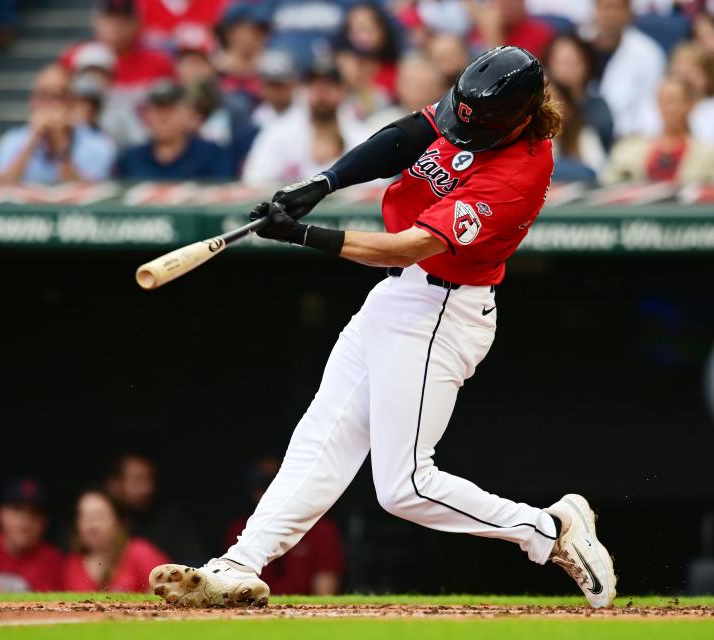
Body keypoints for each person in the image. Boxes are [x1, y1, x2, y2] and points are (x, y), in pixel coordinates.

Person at [149, 46, 617, 609]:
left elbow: (408, 245)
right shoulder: (475, 105)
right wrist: (323, 182)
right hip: (399, 296)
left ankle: (547, 529)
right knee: (321, 437)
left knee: (405, 487)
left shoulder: (517, 173)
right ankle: (241, 562)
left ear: (518, 118)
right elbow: (405, 136)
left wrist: (304, 235)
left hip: (444, 311)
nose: (457, 125)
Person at [223, 457, 344, 595]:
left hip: (305, 613)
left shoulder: (321, 529)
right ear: (253, 491)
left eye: (276, 485)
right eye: (264, 485)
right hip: (254, 611)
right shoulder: (240, 530)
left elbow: (325, 594)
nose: (272, 492)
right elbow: (235, 589)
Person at [242, 60, 369, 185]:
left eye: (329, 85)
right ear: (304, 90)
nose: (321, 93)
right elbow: (255, 179)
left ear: (341, 91)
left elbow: (374, 184)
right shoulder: (278, 131)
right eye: (315, 85)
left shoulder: (359, 136)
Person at [0, 64, 116, 184]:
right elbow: (0, 187)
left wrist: (61, 144)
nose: (50, 105)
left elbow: (87, 197)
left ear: (72, 102)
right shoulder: (12, 140)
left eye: (58, 96)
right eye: (43, 95)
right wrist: (32, 140)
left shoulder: (98, 145)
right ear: (32, 101)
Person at [601, 77, 714, 184]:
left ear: (689, 105)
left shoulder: (707, 153)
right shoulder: (628, 149)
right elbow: (608, 184)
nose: (668, 109)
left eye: (674, 101)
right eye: (662, 101)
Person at [117, 80, 236, 180]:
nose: (162, 118)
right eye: (156, 111)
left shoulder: (211, 154)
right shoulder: (132, 157)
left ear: (188, 115)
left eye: (170, 110)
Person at [583, 0, 665, 138]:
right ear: (595, 11)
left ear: (628, 13)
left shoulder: (648, 54)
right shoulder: (578, 44)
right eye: (605, 8)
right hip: (580, 132)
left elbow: (652, 104)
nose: (610, 15)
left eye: (616, 8)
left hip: (628, 135)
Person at [105, 453, 205, 566]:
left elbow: (194, 566)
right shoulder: (102, 524)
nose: (146, 489)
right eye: (137, 480)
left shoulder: (170, 520)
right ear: (114, 484)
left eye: (149, 480)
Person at [62, 490, 169, 592]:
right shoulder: (72, 564)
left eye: (99, 516)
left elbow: (171, 588)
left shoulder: (139, 552)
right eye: (84, 517)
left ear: (118, 521)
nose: (92, 526)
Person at [544, 33, 614, 151]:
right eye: (561, 62)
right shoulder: (539, 102)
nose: (566, 69)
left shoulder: (597, 107)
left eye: (572, 62)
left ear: (587, 64)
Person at [365, 54, 447, 134]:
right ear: (398, 85)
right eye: (411, 83)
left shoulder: (445, 123)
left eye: (424, 84)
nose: (417, 91)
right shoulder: (380, 122)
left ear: (438, 88)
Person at [548, 80, 605, 182]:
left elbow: (600, 175)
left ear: (568, 106)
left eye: (553, 99)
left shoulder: (584, 134)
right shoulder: (527, 143)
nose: (548, 107)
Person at [466, 0, 554, 59]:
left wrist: (493, 31)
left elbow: (507, 68)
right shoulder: (476, 31)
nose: (504, 4)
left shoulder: (539, 32)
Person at [252, 49, 303, 128]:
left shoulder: (307, 112)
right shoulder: (259, 118)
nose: (276, 92)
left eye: (280, 85)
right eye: (271, 85)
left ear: (293, 84)